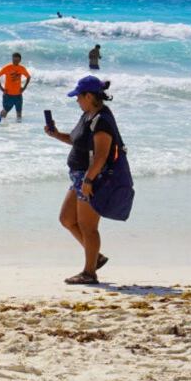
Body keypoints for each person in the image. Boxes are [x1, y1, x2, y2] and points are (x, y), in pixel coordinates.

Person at [45, 76, 121, 285]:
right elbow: (76, 141)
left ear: (89, 96)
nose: (77, 100)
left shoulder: (102, 120)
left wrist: (88, 181)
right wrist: (56, 134)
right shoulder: (88, 114)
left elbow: (101, 155)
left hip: (91, 178)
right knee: (67, 219)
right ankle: (95, 257)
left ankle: (89, 272)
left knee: (89, 227)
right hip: (79, 177)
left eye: (78, 96)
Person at [0, 52, 31, 121]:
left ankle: (18, 128)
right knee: (5, 112)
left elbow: (28, 77)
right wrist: (1, 87)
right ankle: (0, 126)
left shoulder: (22, 68)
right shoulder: (7, 67)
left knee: (19, 114)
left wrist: (24, 88)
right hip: (8, 95)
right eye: (14, 60)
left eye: (17, 60)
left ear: (20, 60)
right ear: (12, 59)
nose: (15, 62)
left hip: (18, 95)